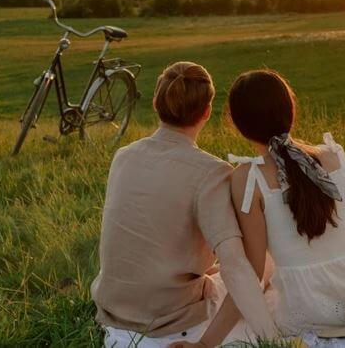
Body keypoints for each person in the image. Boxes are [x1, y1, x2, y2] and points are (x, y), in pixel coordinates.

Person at [177, 69, 345, 345]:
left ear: (238, 124)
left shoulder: (249, 177)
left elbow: (251, 272)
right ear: (290, 110)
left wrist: (204, 343)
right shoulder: (332, 155)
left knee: (242, 298)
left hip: (311, 307)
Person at [91, 62, 278, 348]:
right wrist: (273, 341)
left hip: (115, 317)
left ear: (156, 102)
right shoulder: (212, 172)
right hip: (172, 326)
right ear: (206, 112)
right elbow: (236, 266)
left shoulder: (123, 156)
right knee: (267, 267)